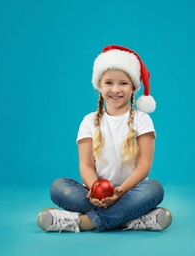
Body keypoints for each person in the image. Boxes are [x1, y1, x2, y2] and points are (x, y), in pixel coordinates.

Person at [37, 45, 172, 233]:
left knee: (154, 189)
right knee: (58, 187)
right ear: (99, 85)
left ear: (133, 87)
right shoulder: (88, 121)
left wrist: (120, 192)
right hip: (95, 194)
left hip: (131, 193)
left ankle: (81, 222)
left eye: (123, 83)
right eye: (109, 83)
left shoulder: (143, 120)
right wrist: (93, 190)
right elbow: (85, 166)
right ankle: (129, 219)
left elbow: (144, 166)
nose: (115, 90)